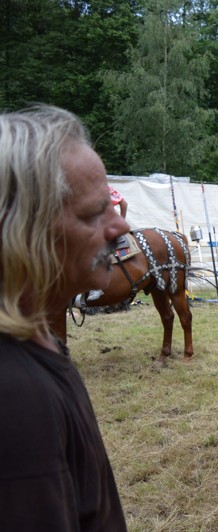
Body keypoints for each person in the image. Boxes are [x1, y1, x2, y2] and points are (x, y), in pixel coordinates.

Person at [0, 105, 130, 529]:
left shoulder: (39, 343)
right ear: (22, 230)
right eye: (94, 214)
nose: (121, 228)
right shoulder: (16, 397)